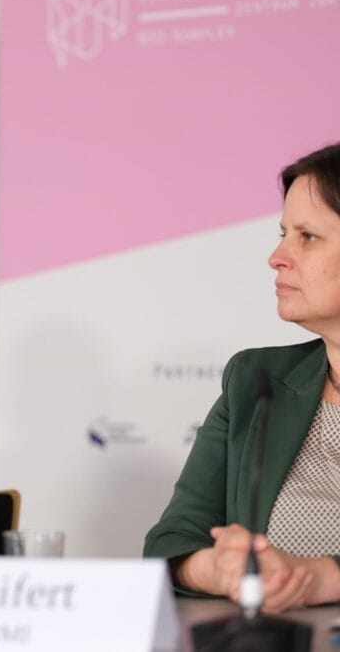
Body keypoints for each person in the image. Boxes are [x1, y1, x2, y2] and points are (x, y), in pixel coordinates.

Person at [144, 141, 340, 613]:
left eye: (307, 237)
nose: (277, 256)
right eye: (282, 234)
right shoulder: (255, 379)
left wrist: (320, 579)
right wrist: (212, 568)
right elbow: (171, 542)